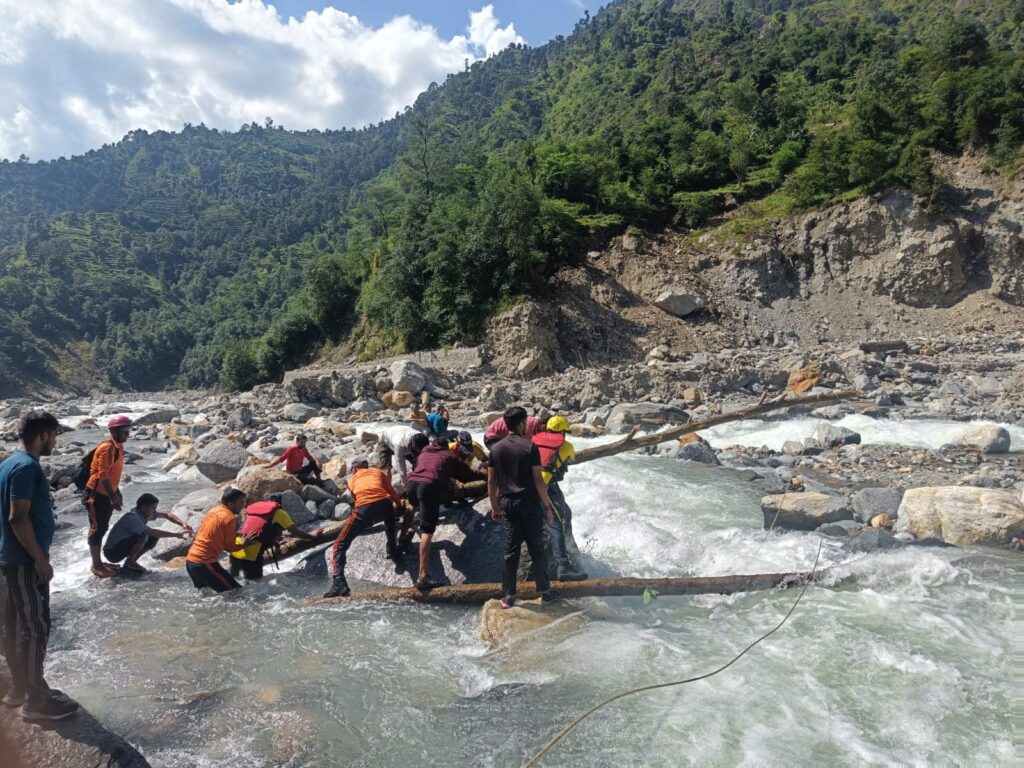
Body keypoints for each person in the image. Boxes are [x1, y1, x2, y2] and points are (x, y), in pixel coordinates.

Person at [0, 410, 79, 720]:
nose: (55, 443)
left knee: (14, 626)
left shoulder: (8, 463)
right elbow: (17, 517)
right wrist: (40, 559)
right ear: (43, 435)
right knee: (34, 628)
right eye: (54, 436)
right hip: (23, 562)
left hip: (10, 560)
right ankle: (36, 702)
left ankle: (21, 689)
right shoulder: (27, 467)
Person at [488, 406, 559, 609]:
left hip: (508, 505)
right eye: (526, 422)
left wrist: (494, 506)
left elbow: (491, 481)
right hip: (529, 504)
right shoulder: (530, 447)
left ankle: (508, 596)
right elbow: (538, 480)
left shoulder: (496, 449)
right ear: (521, 424)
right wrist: (548, 507)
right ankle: (545, 592)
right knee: (537, 547)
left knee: (511, 550)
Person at [404, 439, 485, 590]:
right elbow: (467, 475)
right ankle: (422, 577)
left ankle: (401, 540)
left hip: (411, 485)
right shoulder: (449, 455)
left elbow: (423, 469)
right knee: (427, 530)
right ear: (446, 447)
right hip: (428, 487)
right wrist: (484, 475)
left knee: (412, 506)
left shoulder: (424, 453)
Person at [323, 458, 402, 598]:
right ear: (367, 466)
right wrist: (400, 505)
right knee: (389, 522)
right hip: (385, 503)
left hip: (365, 507)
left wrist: (365, 520)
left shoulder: (352, 480)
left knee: (339, 544)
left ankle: (339, 582)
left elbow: (358, 502)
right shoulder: (377, 472)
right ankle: (392, 549)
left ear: (354, 469)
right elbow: (391, 490)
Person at [532, 417, 587, 581]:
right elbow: (572, 458)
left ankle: (572, 554)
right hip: (543, 487)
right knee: (557, 523)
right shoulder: (567, 446)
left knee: (566, 512)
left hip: (528, 483)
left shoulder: (533, 440)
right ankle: (563, 567)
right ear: (562, 432)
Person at [229, 494, 323, 581]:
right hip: (250, 551)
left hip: (236, 547)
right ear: (279, 503)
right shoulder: (279, 512)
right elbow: (295, 532)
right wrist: (312, 537)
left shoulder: (254, 511)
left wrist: (273, 541)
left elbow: (256, 528)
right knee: (254, 583)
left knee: (233, 581)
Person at [84, 415, 132, 578]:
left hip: (106, 494)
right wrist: (113, 497)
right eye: (125, 431)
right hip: (95, 494)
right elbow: (103, 476)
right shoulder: (107, 448)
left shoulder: (118, 447)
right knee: (96, 528)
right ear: (115, 431)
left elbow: (112, 474)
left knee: (103, 527)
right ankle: (96, 565)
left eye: (128, 431)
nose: (127, 434)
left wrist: (117, 492)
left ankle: (99, 562)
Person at [184, 488, 256, 593]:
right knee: (236, 592)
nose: (243, 506)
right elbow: (230, 547)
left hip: (190, 561)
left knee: (205, 594)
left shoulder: (214, 510)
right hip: (204, 563)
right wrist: (244, 544)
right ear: (231, 504)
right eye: (241, 503)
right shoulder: (229, 518)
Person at [102, 493, 193, 574]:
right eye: (153, 508)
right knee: (145, 534)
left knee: (152, 537)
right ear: (143, 507)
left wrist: (182, 523)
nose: (155, 511)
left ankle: (130, 562)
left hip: (120, 547)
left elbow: (166, 515)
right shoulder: (133, 518)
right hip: (112, 553)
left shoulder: (145, 513)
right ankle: (131, 562)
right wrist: (176, 535)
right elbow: (150, 532)